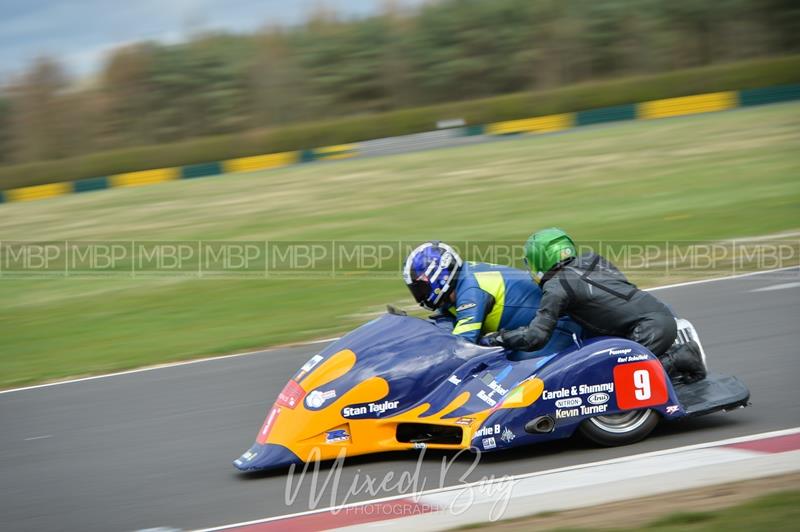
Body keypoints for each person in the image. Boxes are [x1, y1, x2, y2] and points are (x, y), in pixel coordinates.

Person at [484, 228, 706, 383]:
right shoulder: (593, 258)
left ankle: (681, 358)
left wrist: (500, 337)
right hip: (657, 314)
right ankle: (666, 359)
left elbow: (536, 337)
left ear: (538, 260)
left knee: (608, 382)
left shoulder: (556, 287)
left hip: (645, 331)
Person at [402, 241, 580, 354]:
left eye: (420, 288)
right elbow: (442, 328)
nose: (420, 295)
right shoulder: (453, 290)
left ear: (438, 277)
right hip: (531, 331)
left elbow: (460, 347)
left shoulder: (470, 289)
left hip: (556, 329)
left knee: (504, 368)